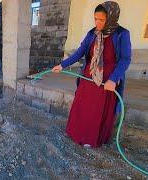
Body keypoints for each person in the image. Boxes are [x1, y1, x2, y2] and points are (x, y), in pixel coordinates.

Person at [52, 1, 131, 148]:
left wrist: (114, 79)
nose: (97, 23)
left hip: (107, 80)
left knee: (97, 110)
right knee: (82, 106)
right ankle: (75, 133)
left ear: (112, 18)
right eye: (95, 19)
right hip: (88, 77)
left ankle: (92, 138)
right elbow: (79, 53)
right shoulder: (92, 33)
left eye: (101, 20)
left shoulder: (122, 34)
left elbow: (126, 59)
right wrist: (62, 65)